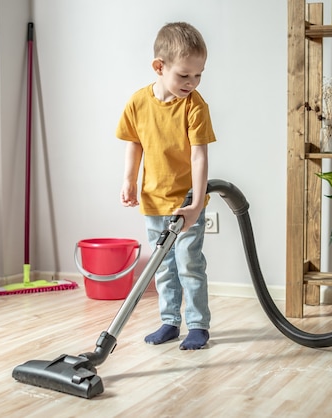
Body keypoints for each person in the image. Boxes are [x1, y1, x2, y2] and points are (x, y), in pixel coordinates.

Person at [116, 22, 217, 350]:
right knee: (162, 265)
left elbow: (199, 157)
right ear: (159, 67)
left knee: (189, 262)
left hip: (185, 199)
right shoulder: (138, 102)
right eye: (184, 75)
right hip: (152, 197)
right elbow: (134, 142)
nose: (192, 83)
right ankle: (169, 321)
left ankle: (198, 325)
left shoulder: (195, 106)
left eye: (198, 75)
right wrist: (129, 180)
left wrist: (197, 204)